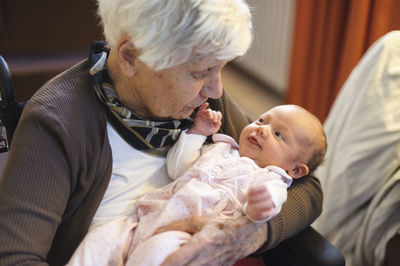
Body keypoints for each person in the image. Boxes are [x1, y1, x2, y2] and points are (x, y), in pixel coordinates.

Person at [0, 0, 323, 265]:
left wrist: (252, 232)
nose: (215, 88)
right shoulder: (57, 121)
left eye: (221, 68)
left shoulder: (205, 103)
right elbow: (16, 258)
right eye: (200, 72)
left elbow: (305, 186)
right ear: (130, 57)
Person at [67, 104, 327, 265]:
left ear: (294, 169)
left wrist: (260, 206)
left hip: (181, 237)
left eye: (279, 135)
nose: (261, 130)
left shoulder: (271, 178)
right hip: (144, 219)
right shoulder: (222, 147)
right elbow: (178, 167)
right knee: (100, 240)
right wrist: (197, 134)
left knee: (157, 255)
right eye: (261, 120)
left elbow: (269, 204)